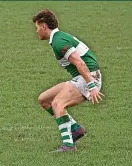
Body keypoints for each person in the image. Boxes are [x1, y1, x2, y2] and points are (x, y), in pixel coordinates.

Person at [32, 9, 104, 152]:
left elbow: (80, 63)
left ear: (44, 26)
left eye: (37, 27)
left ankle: (68, 146)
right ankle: (75, 129)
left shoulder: (59, 41)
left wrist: (92, 85)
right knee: (44, 99)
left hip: (88, 77)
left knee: (58, 103)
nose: (36, 31)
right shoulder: (58, 38)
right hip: (82, 77)